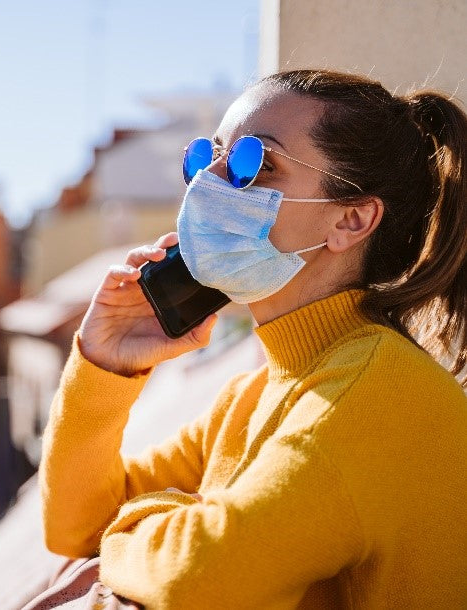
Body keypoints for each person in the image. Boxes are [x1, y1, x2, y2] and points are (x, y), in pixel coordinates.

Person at [37, 69, 467, 608]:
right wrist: (105, 366)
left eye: (253, 164)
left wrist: (149, 523)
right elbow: (73, 528)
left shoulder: (376, 393)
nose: (208, 182)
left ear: (352, 219)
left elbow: (195, 577)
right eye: (205, 157)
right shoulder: (253, 395)